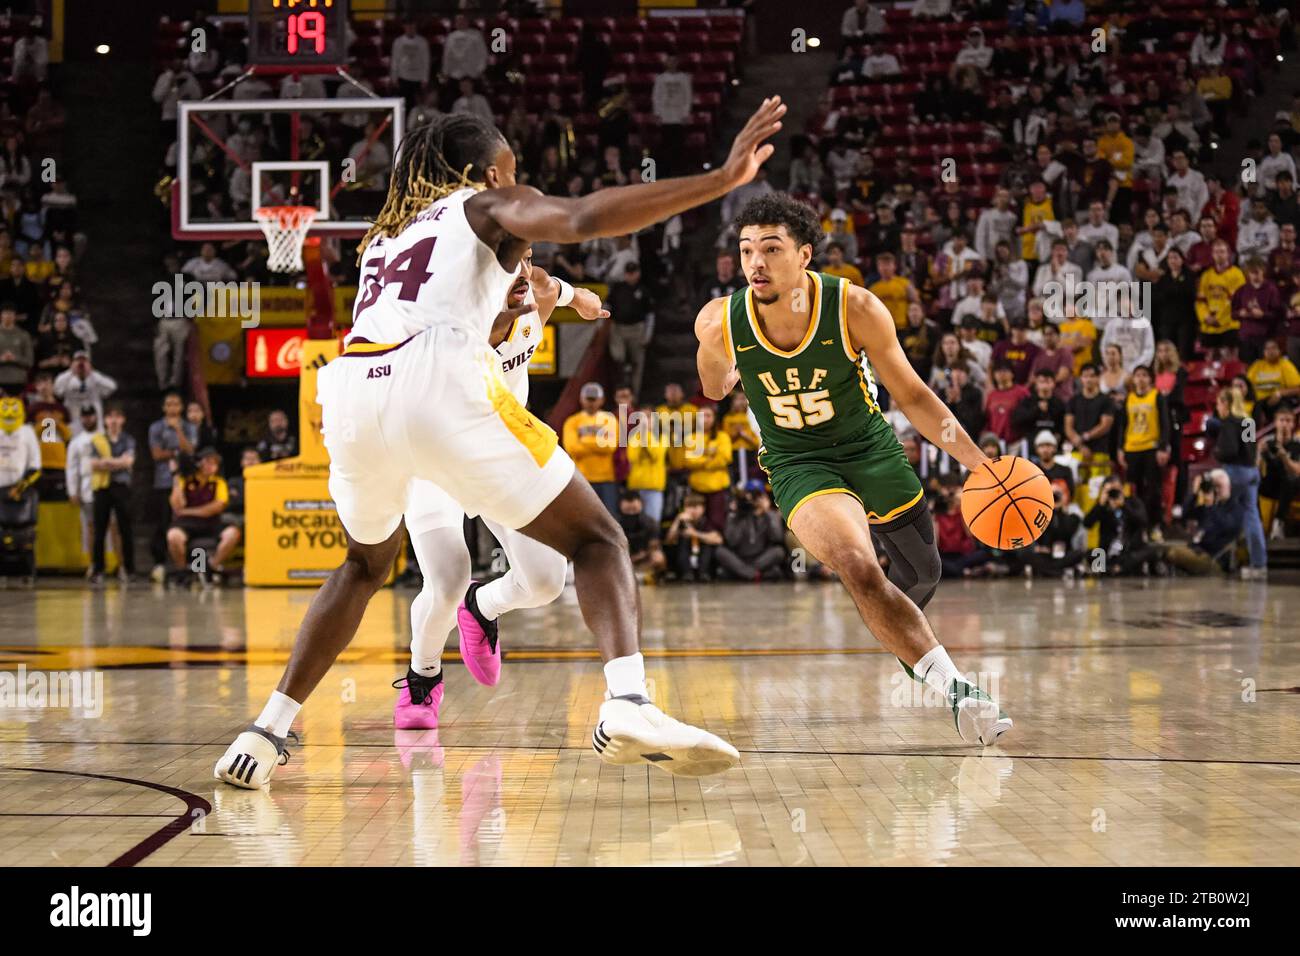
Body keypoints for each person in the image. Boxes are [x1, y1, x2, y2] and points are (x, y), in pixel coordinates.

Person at [215, 102, 789, 788]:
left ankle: (265, 731)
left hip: (349, 392)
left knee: (364, 568)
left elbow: (503, 288)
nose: (522, 184)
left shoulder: (384, 236)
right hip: (436, 382)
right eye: (514, 170)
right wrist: (720, 180)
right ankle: (629, 702)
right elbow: (581, 220)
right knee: (598, 540)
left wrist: (560, 298)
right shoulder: (486, 203)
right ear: (489, 171)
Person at [694, 191, 1010, 745]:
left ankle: (907, 641)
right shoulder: (722, 321)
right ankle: (958, 690)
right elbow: (713, 387)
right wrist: (719, 358)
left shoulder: (855, 308)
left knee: (922, 575)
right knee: (857, 564)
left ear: (805, 255)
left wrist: (980, 466)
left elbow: (911, 395)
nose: (755, 264)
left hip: (869, 448)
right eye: (746, 251)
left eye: (771, 249)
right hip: (799, 463)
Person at [394, 252, 604, 728]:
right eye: (507, 261)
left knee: (547, 581)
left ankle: (482, 606)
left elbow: (555, 286)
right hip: (436, 458)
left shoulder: (534, 294)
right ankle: (422, 675)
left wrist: (583, 300)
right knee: (446, 578)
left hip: (501, 457)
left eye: (526, 256)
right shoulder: (440, 326)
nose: (522, 272)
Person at [1208, 388, 1267, 578]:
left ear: (1226, 403)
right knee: (1252, 517)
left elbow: (1230, 451)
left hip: (1235, 472)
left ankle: (1213, 559)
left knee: (1221, 512)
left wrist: (1217, 452)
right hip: (1251, 471)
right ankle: (1259, 565)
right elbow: (1250, 450)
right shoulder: (1248, 421)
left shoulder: (1229, 423)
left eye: (1219, 403)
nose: (1218, 407)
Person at [167, 447, 241, 586]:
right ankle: (182, 572)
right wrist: (176, 476)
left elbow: (214, 508)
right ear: (199, 463)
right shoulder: (186, 480)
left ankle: (210, 568)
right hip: (186, 524)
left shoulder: (219, 483)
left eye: (214, 463)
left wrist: (188, 511)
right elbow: (177, 506)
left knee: (233, 533)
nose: (211, 466)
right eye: (207, 462)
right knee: (173, 536)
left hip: (210, 523)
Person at [1116, 365, 1172, 535]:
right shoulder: (1129, 399)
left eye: (1144, 375)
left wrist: (1163, 447)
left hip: (1151, 448)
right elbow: (1122, 426)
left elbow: (1165, 423)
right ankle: (1136, 527)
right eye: (1137, 375)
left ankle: (1155, 524)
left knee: (1153, 489)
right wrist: (1120, 448)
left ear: (1150, 379)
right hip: (1132, 448)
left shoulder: (1157, 397)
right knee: (1134, 490)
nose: (1140, 379)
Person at [148, 391, 196, 583]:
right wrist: (177, 453)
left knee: (188, 523)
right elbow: (156, 454)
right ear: (164, 408)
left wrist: (178, 431)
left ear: (181, 407)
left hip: (187, 482)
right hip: (164, 481)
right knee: (163, 522)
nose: (173, 408)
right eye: (169, 404)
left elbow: (190, 450)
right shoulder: (156, 427)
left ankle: (193, 566)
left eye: (176, 404)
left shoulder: (188, 427)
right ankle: (160, 564)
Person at [89, 404, 136, 586]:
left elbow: (129, 461)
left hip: (121, 487)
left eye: (118, 416)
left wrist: (107, 462)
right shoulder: (98, 439)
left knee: (126, 530)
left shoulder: (128, 440)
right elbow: (93, 464)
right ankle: (98, 569)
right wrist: (118, 462)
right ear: (105, 420)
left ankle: (129, 569)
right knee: (100, 530)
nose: (114, 420)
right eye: (110, 417)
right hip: (102, 487)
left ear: (123, 420)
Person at [563, 382, 619, 516]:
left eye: (594, 399)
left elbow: (610, 446)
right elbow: (572, 448)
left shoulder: (610, 420)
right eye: (588, 399)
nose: (591, 403)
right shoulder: (572, 421)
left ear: (601, 400)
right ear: (582, 399)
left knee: (609, 517)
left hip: (606, 479)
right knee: (582, 517)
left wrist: (584, 439)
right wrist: (598, 441)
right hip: (581, 478)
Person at [605, 260, 653, 395]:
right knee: (618, 359)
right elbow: (607, 305)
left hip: (637, 329)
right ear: (625, 274)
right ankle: (619, 395)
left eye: (633, 273)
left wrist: (647, 335)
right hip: (618, 328)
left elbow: (650, 314)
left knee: (637, 364)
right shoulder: (617, 288)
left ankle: (634, 397)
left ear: (638, 273)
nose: (631, 276)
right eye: (628, 273)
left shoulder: (644, 290)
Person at [1259, 406, 1300, 537]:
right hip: (1271, 483)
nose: (1285, 424)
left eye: (1288, 421)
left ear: (1293, 424)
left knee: (1290, 479)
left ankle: (1278, 522)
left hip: (1291, 487)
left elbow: (1298, 471)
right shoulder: (1266, 442)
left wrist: (1284, 457)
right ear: (1275, 423)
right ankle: (1257, 523)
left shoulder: (1298, 443)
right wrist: (1259, 454)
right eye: (1282, 420)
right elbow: (1255, 467)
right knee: (1250, 483)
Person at [665, 493, 722, 581]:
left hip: (702, 560)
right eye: (689, 506)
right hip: (685, 559)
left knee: (707, 541)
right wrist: (677, 520)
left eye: (696, 506)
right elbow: (669, 540)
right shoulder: (682, 521)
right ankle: (686, 573)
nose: (692, 510)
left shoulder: (707, 521)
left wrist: (695, 533)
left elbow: (718, 540)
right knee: (683, 539)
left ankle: (703, 573)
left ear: (703, 508)